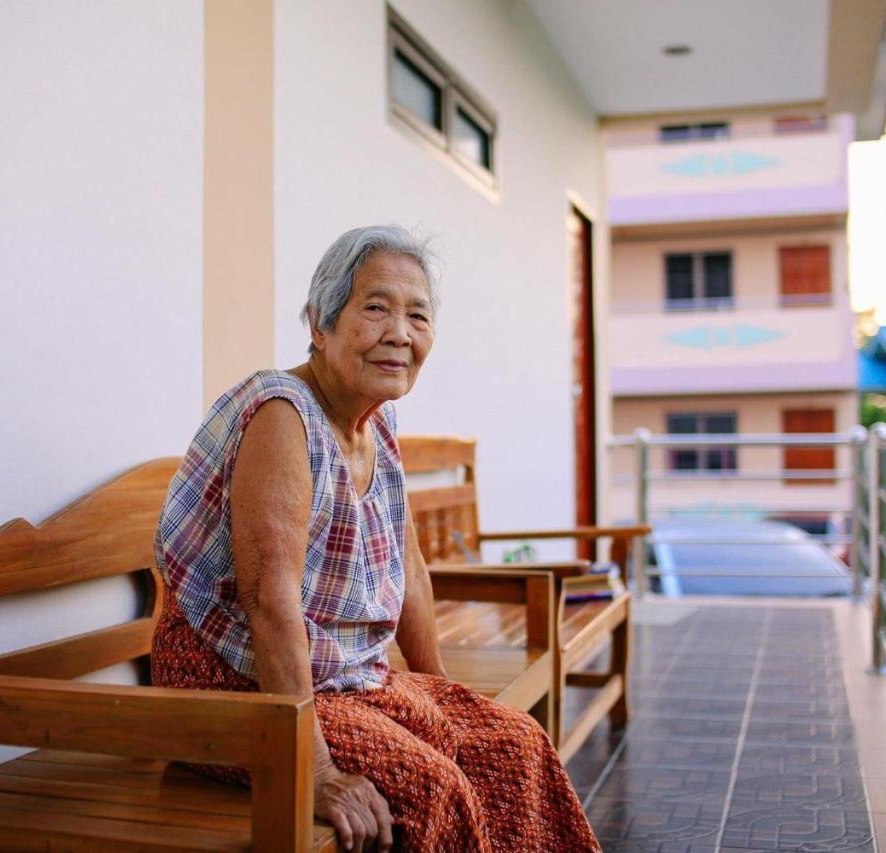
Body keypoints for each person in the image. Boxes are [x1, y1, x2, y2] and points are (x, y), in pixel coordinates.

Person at [152, 225, 598, 853]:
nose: (401, 333)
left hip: (334, 674)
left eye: (419, 315)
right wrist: (314, 771)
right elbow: (268, 599)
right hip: (234, 680)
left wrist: (441, 691)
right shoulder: (283, 416)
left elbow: (410, 566)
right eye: (376, 308)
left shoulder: (377, 422)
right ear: (320, 324)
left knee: (509, 744)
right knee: (432, 789)